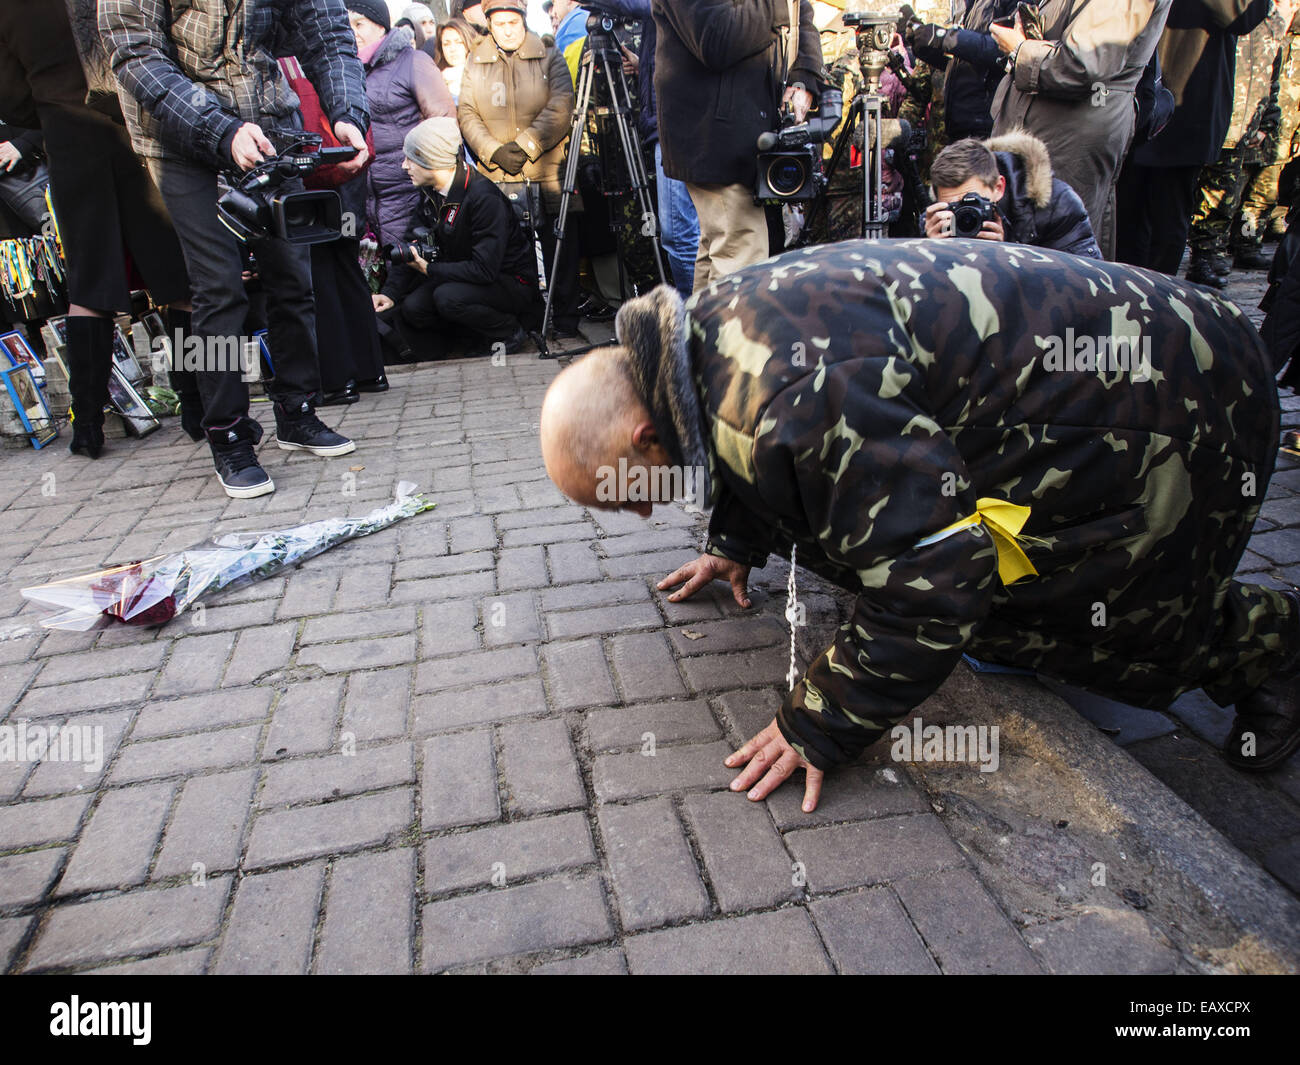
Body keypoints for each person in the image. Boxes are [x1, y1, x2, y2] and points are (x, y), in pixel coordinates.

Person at [540, 240, 1300, 809]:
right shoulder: (707, 339)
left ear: (645, 439)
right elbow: (757, 446)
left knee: (1111, 612)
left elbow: (933, 582)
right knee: (998, 589)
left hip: (1187, 400)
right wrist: (735, 543)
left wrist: (819, 720)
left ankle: (1273, 652)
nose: (640, 511)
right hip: (1124, 369)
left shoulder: (782, 400)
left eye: (622, 495)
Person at [100, 0, 370, 498]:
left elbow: (328, 30)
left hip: (268, 123)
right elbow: (134, 50)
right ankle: (227, 433)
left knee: (293, 279)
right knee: (218, 290)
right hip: (179, 137)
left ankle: (297, 410)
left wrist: (348, 113)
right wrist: (220, 129)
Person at [1, 0, 193, 461]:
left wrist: (52, 106)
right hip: (136, 127)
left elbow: (10, 96)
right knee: (177, 279)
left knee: (89, 287)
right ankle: (202, 406)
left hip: (68, 133)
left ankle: (87, 425)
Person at [653, 0, 825, 290]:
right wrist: (779, 6)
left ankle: (704, 333)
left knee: (723, 249)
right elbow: (715, 37)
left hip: (747, 129)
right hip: (717, 135)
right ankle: (727, 334)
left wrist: (804, 77)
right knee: (739, 254)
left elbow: (801, 14)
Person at [989, 0, 1173, 259]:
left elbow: (1084, 64)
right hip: (1043, 128)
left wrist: (1020, 49)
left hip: (1069, 135)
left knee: (1063, 255)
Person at [1116, 0, 1271, 274]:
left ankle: (1156, 305)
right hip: (1130, 94)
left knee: (1167, 219)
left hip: (1185, 105)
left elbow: (1244, 15)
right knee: (1124, 220)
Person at [458, 0, 582, 335]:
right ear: (489, 24)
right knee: (513, 254)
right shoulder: (476, 59)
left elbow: (561, 105)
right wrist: (493, 151)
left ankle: (567, 321)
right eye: (500, 24)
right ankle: (529, 320)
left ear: (523, 21)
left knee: (561, 246)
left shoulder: (548, 53)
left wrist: (526, 145)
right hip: (498, 172)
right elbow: (467, 112)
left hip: (547, 169)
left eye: (513, 22)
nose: (508, 30)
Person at [378, 117, 538, 359]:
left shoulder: (483, 198)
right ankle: (467, 338)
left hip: (511, 283)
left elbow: (484, 270)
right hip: (468, 277)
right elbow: (412, 243)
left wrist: (430, 269)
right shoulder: (432, 194)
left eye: (411, 158)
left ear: (432, 160)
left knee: (447, 298)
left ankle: (510, 331)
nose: (404, 166)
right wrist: (389, 294)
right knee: (413, 308)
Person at [348, 3, 455, 258]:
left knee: (408, 271)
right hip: (365, 198)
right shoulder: (347, 69)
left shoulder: (413, 62)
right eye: (347, 25)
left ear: (380, 24)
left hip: (408, 192)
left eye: (359, 23)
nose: (353, 32)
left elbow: (443, 124)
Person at [923, 134, 1102, 258]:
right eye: (953, 208)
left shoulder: (1056, 207)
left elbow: (1086, 289)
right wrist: (931, 252)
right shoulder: (937, 221)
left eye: (972, 202)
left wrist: (1007, 256)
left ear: (999, 187)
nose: (964, 215)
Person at [910, 0, 1017, 143]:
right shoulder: (969, 5)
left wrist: (944, 36)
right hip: (959, 123)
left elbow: (1009, 52)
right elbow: (966, 60)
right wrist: (925, 44)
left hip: (988, 126)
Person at [432, 18, 476, 101]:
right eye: (446, 44)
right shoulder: (435, 82)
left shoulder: (486, 74)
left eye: (459, 42)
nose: (452, 49)